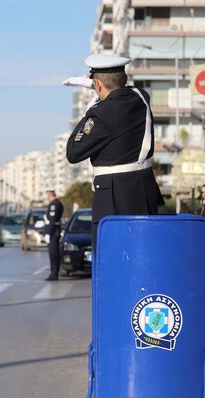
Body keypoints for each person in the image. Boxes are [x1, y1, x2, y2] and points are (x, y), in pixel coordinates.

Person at [66, 54, 164, 256]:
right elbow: (121, 90)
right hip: (144, 191)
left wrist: (89, 112)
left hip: (113, 197)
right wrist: (98, 85)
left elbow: (73, 152)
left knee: (112, 257)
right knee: (145, 254)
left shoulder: (101, 113)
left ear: (98, 84)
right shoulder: (141, 97)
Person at [44, 189, 64, 281]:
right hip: (55, 230)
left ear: (49, 195)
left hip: (53, 232)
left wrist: (48, 233)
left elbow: (52, 220)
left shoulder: (54, 205)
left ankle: (54, 274)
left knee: (53, 254)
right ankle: (54, 273)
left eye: (47, 196)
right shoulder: (58, 203)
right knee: (53, 253)